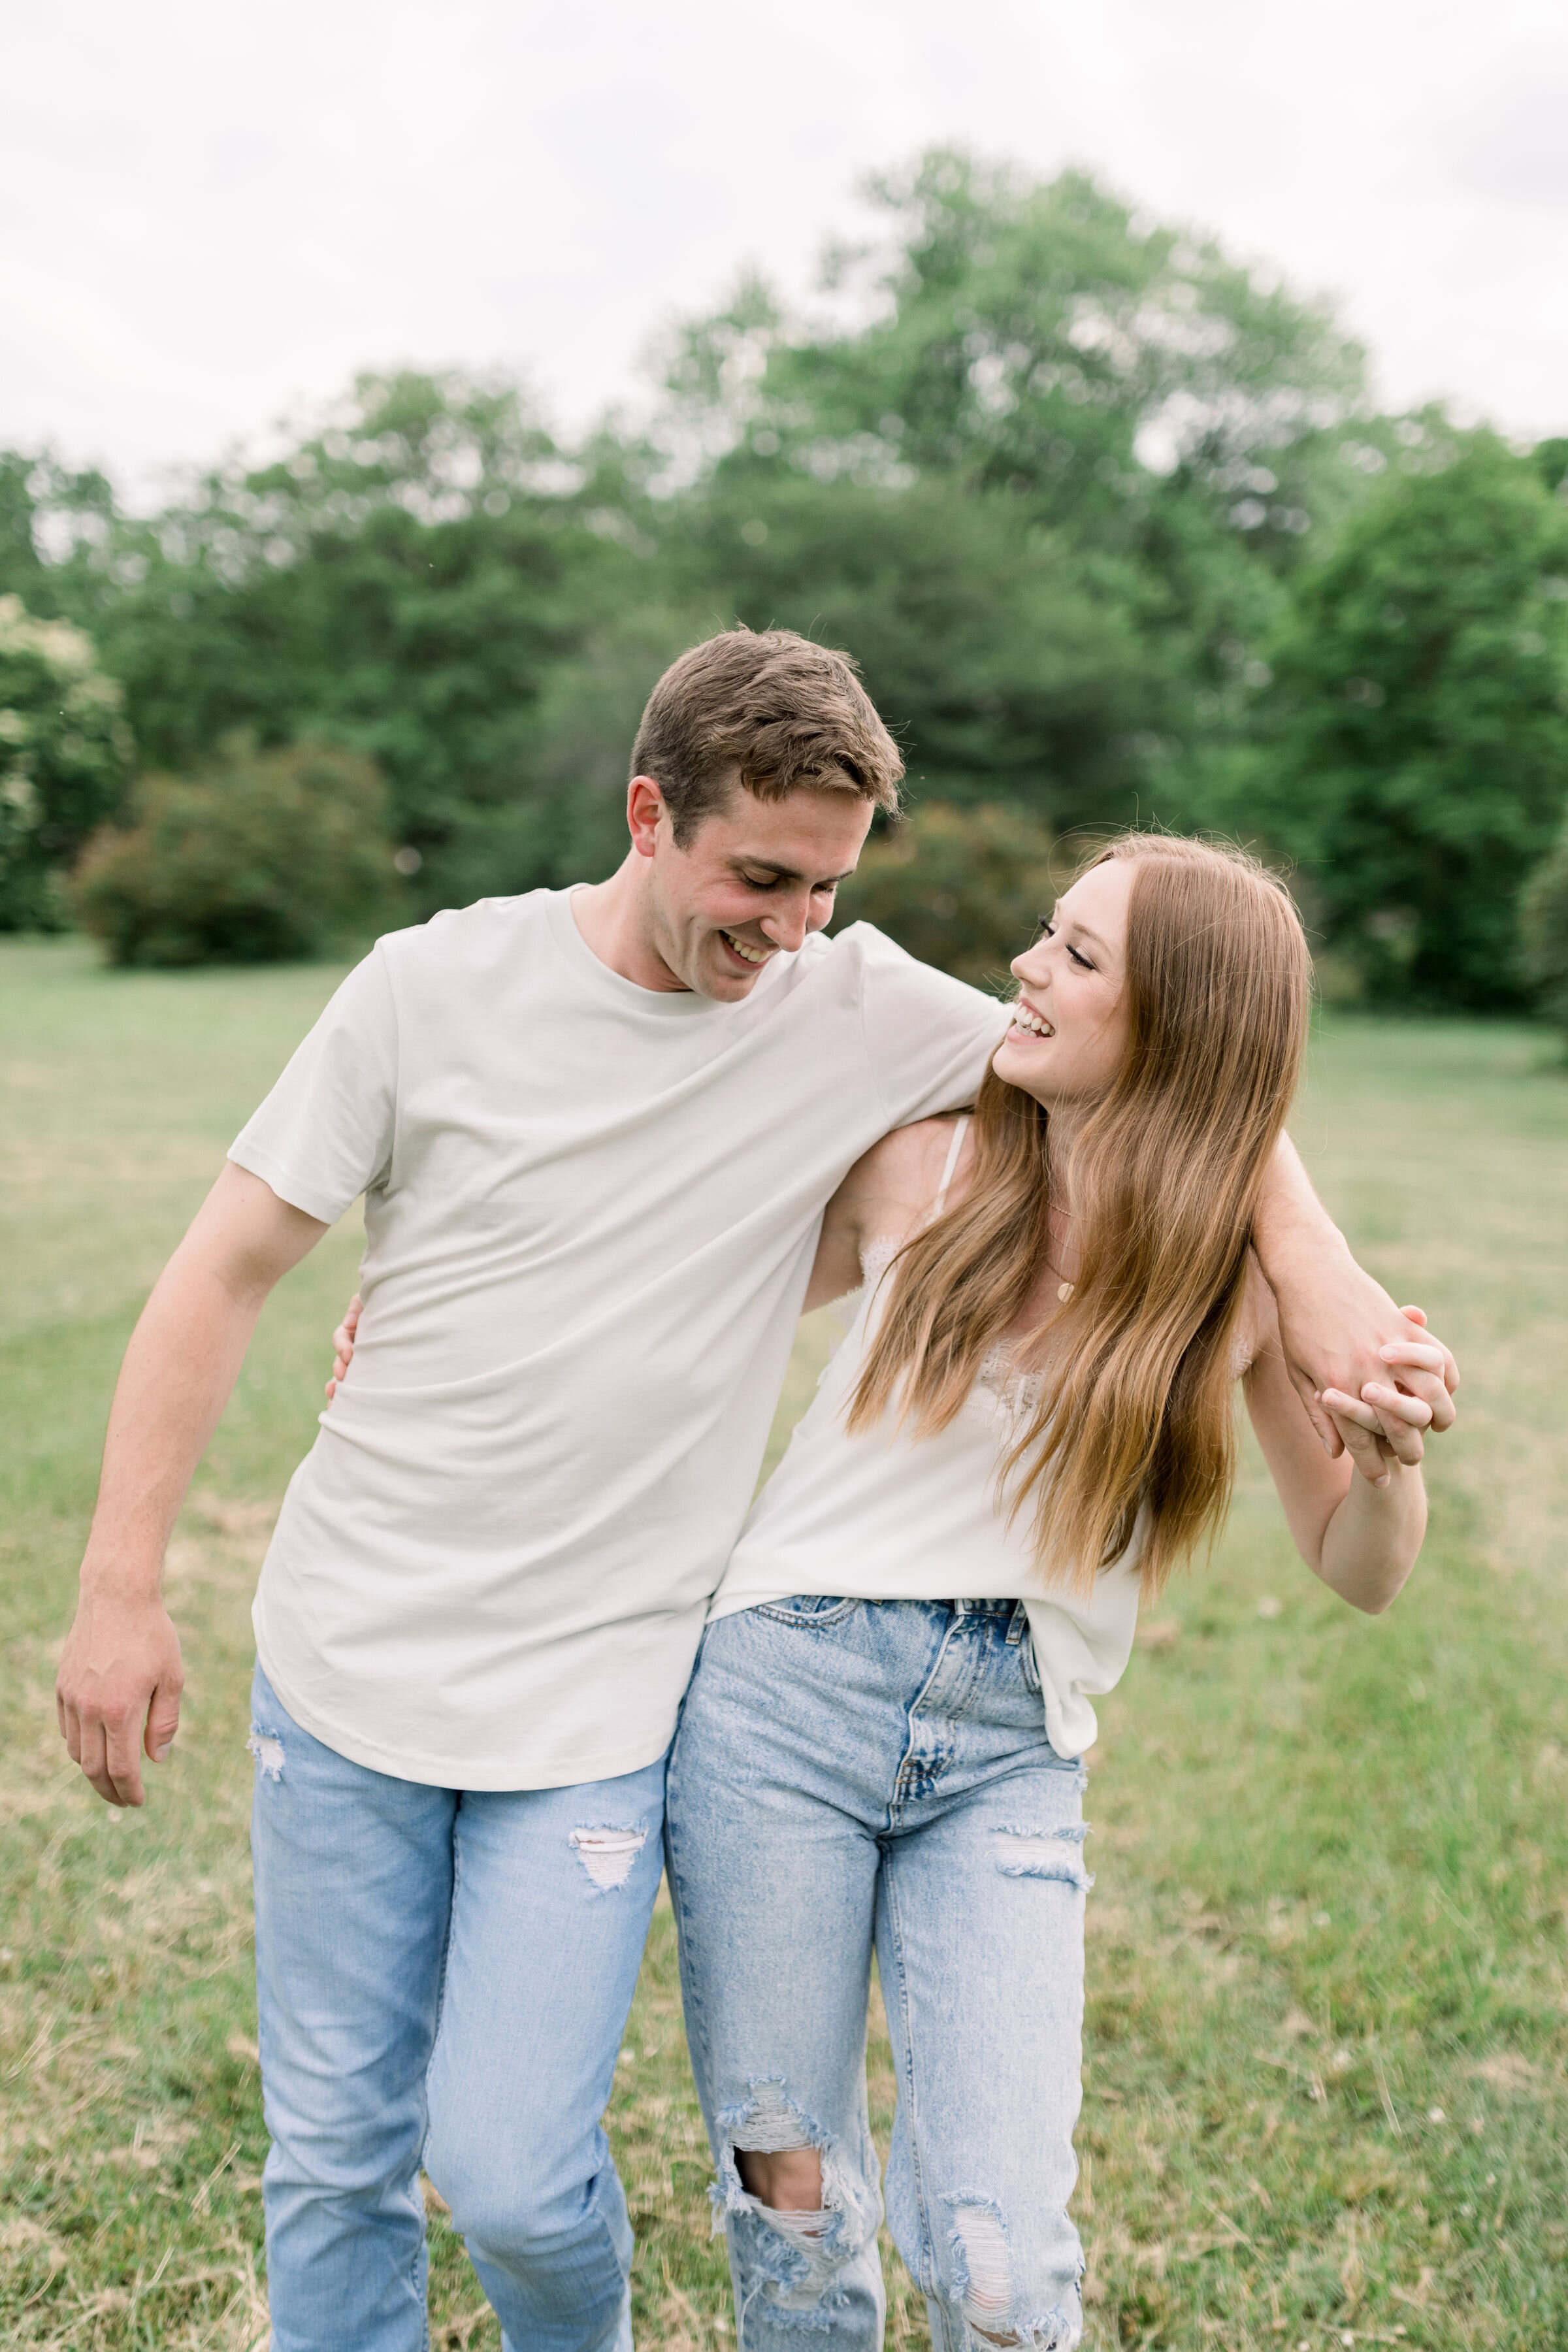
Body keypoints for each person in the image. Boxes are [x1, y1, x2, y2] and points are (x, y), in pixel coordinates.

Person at [55, 632, 1454, 2352]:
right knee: (363, 2152)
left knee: (547, 2173)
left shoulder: (855, 1010)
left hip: (637, 1696)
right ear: (649, 815)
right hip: (409, 1660)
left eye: (832, 888)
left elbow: (1204, 1069)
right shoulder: (439, 992)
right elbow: (225, 1277)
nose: (797, 927)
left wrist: (1326, 1302)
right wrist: (126, 1584)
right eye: (763, 879)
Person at [664, 834, 1436, 2352]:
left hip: (1012, 1746)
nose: (1024, 966)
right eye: (1047, 932)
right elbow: (668, 1287)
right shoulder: (924, 1159)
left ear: (1177, 1029)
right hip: (776, 1704)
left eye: (1080, 958)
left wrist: (1390, 1460)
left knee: (1005, 2262)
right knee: (791, 2196)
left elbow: (1358, 1573)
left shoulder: (1241, 1281)